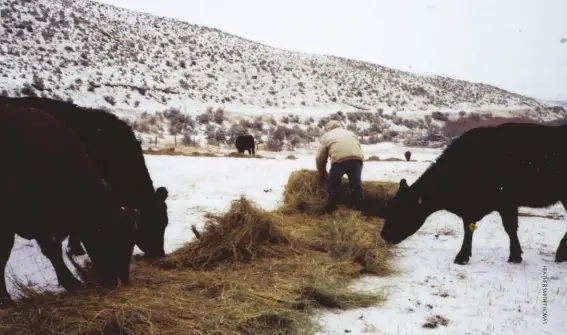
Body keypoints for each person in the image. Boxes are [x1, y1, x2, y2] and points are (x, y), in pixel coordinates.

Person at [315, 120, 365, 213]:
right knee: (356, 185)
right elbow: (358, 148)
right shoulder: (350, 133)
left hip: (340, 160)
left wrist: (322, 173)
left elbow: (320, 158)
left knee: (333, 183)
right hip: (357, 159)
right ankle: (359, 209)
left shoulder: (327, 136)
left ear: (328, 129)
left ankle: (331, 208)